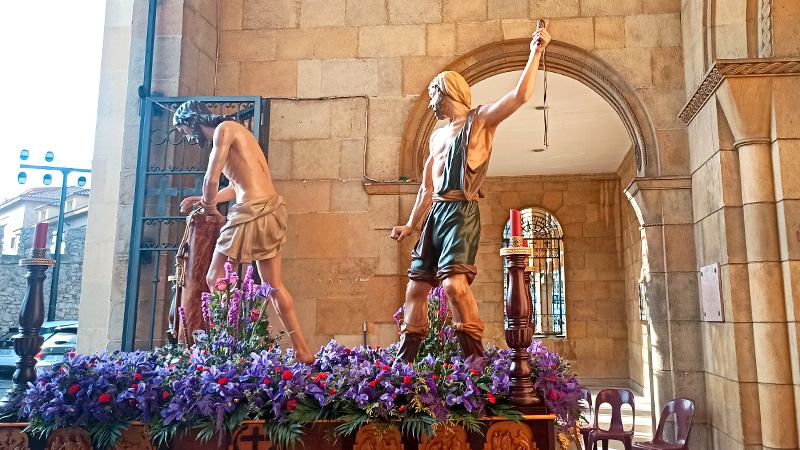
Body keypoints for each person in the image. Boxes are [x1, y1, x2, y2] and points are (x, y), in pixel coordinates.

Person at [390, 26, 552, 362]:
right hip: (434, 214)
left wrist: (535, 51)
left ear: (446, 93)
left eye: (433, 95)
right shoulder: (436, 138)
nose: (431, 103)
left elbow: (519, 97)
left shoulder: (479, 122)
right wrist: (410, 224)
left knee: (452, 285)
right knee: (415, 289)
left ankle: (475, 362)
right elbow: (426, 187)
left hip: (461, 213)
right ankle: (404, 364)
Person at [174, 101, 314, 364]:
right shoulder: (239, 131)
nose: (189, 138)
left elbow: (211, 179)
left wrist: (207, 205)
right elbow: (237, 186)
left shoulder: (222, 131)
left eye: (184, 131)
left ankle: (227, 349)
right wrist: (202, 199)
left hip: (249, 211)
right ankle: (303, 351)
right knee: (273, 286)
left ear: (192, 121)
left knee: (215, 278)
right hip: (269, 208)